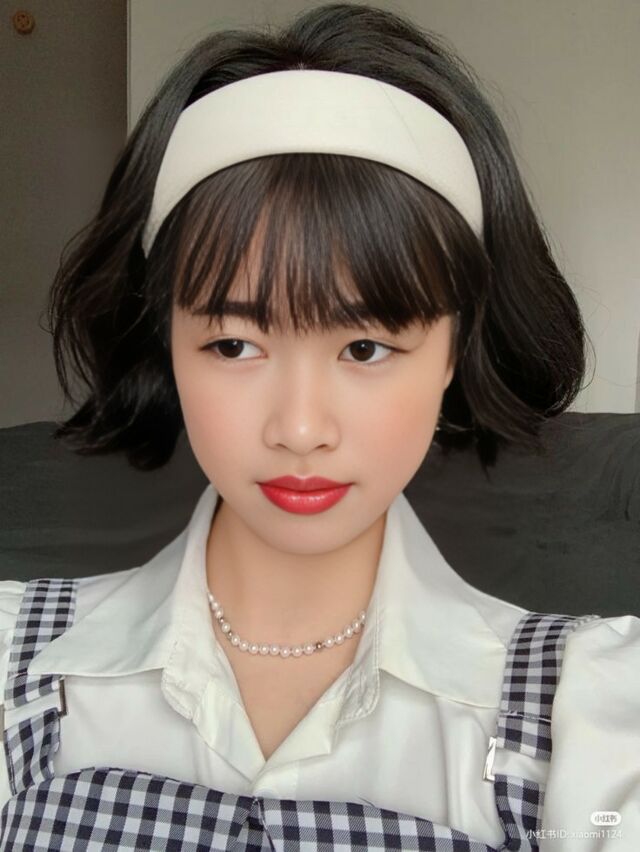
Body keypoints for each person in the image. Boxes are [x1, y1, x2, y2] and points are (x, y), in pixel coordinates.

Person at [1, 3, 638, 850]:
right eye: (235, 344)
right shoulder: (13, 660)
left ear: (453, 350)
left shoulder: (592, 711)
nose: (300, 429)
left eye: (366, 347)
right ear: (167, 343)